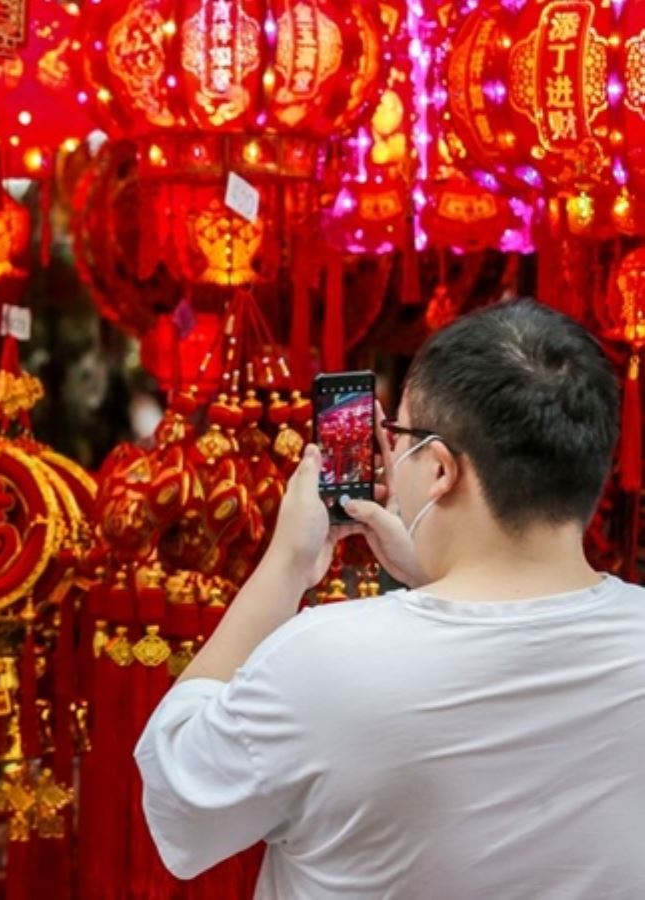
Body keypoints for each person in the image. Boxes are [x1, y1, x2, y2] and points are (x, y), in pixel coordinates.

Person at [136, 299, 645, 898]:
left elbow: (180, 803)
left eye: (396, 435)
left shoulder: (326, 657)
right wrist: (433, 579)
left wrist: (286, 565)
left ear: (438, 470)